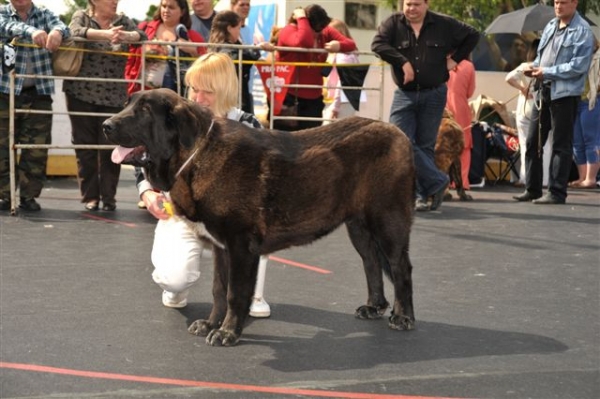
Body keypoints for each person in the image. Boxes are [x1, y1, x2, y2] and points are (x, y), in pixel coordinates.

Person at [136, 53, 271, 317]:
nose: (197, 98)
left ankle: (252, 293)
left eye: (206, 91)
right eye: (194, 89)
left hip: (230, 221)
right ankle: (176, 286)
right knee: (172, 279)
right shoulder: (177, 121)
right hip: (182, 215)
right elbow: (144, 157)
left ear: (225, 90)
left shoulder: (248, 125)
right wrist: (148, 192)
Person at [371, 0, 479, 212]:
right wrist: (402, 61)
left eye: (416, 4)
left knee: (425, 146)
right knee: (398, 140)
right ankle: (438, 181)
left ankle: (421, 197)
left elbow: (473, 35)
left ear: (426, 4)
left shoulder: (443, 24)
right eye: (408, 4)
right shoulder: (393, 23)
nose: (411, 8)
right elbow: (377, 45)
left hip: (434, 94)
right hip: (405, 94)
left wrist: (455, 60)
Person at [65, 0, 146, 212]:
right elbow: (73, 31)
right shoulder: (81, 16)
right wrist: (104, 35)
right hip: (80, 93)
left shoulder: (123, 21)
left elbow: (143, 36)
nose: (115, 1)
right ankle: (91, 197)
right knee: (86, 148)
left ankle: (109, 197)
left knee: (112, 149)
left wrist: (127, 36)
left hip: (113, 97)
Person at [513, 0, 594, 205]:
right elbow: (542, 57)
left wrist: (546, 71)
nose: (558, 6)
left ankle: (557, 192)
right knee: (532, 142)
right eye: (556, 2)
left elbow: (578, 66)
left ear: (575, 3)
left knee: (561, 144)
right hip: (543, 91)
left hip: (565, 95)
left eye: (563, 3)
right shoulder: (550, 26)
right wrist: (534, 68)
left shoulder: (582, 30)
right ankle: (532, 189)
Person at [0, 0, 69, 212]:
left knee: (36, 149)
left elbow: (63, 26)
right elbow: (5, 26)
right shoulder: (2, 12)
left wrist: (57, 32)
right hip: (4, 92)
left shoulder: (45, 14)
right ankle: (4, 196)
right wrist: (31, 31)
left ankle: (29, 196)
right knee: (2, 147)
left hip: (38, 93)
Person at [275, 4, 356, 131]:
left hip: (314, 99)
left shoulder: (324, 31)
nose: (320, 33)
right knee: (285, 144)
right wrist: (302, 17)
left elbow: (351, 44)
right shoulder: (288, 31)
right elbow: (304, 41)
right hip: (290, 100)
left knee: (311, 143)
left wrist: (338, 45)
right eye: (317, 30)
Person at [124, 0, 205, 96]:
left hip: (175, 96)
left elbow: (205, 66)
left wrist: (193, 51)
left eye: (171, 7)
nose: (166, 10)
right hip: (142, 92)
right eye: (164, 6)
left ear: (182, 12)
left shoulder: (193, 37)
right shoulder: (145, 28)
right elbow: (130, 59)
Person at [505, 39, 553, 187]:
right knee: (546, 145)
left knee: (526, 145)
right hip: (543, 107)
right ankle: (545, 179)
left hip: (524, 108)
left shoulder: (526, 66)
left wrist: (522, 88)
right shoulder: (548, 67)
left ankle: (526, 179)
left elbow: (508, 78)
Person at [208, 11, 268, 114]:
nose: (239, 32)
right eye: (238, 28)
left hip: (224, 99)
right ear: (229, 28)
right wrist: (256, 49)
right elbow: (245, 57)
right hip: (235, 100)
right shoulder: (229, 51)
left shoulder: (214, 47)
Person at [570, 41, 600, 189]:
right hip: (576, 100)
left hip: (592, 101)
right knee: (577, 141)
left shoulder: (597, 58)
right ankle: (582, 177)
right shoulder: (576, 58)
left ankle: (591, 178)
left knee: (591, 139)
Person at [322, 18, 361, 123]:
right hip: (338, 101)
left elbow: (342, 82)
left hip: (341, 102)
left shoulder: (344, 56)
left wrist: (335, 107)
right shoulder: (339, 54)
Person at [446, 57, 476, 190]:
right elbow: (470, 92)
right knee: (464, 146)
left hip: (442, 108)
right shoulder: (468, 66)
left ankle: (443, 182)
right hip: (461, 108)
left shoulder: (441, 61)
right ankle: (462, 182)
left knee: (443, 145)